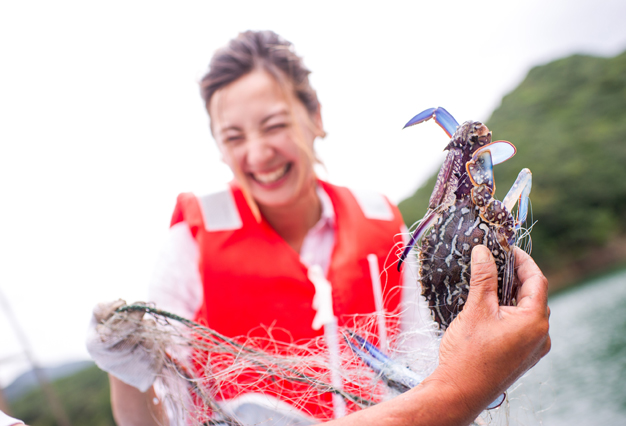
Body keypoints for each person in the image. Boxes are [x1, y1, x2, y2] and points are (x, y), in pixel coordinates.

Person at [87, 30, 551, 426]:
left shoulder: (383, 224)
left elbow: (431, 362)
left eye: (273, 125)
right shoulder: (190, 243)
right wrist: (124, 366)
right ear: (219, 148)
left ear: (316, 118)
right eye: (233, 137)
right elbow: (149, 413)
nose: (258, 152)